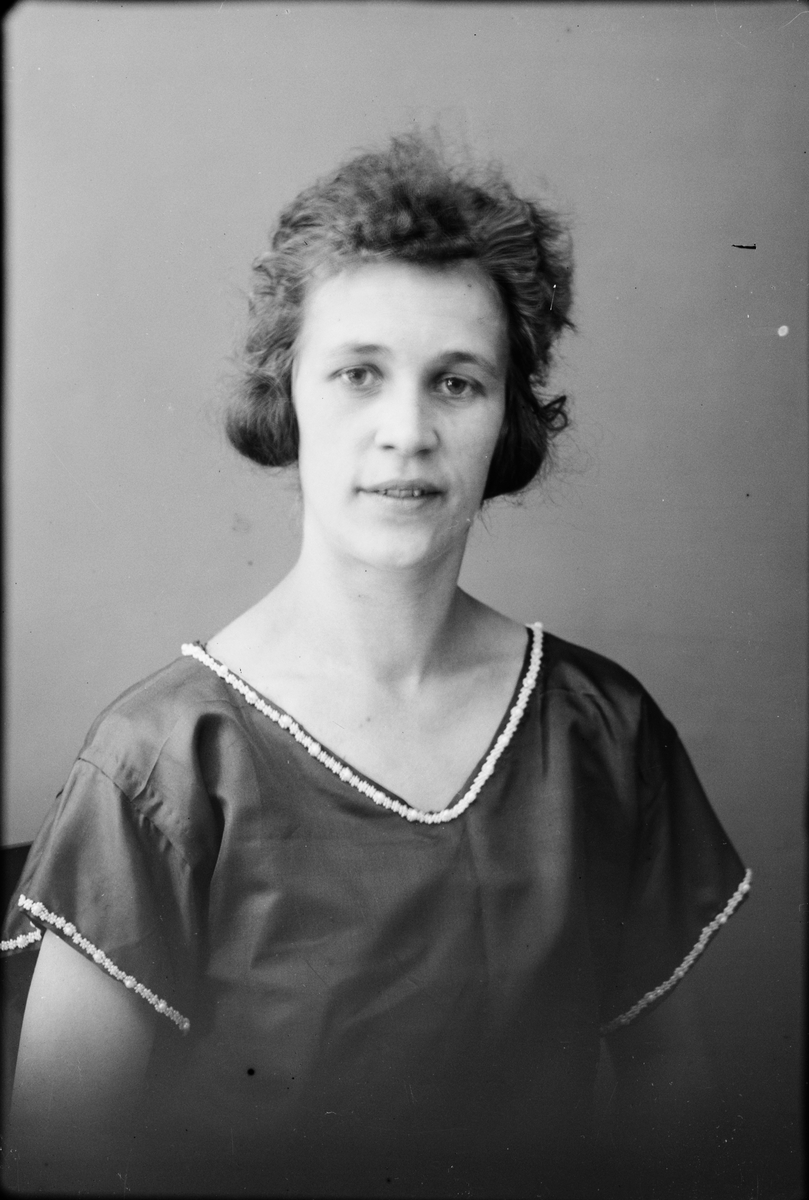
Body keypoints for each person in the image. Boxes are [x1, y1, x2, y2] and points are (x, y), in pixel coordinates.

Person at [2, 134, 750, 1198]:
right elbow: (59, 1160)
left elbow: (678, 1117)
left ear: (507, 419)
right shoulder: (161, 761)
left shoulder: (601, 727)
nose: (407, 431)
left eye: (457, 382)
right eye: (358, 374)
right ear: (287, 397)